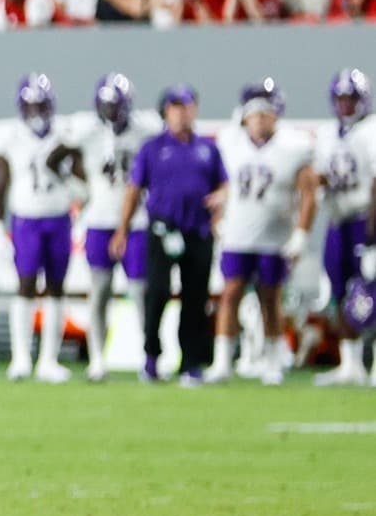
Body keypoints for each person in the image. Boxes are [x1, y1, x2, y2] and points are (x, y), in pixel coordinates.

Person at [204, 80, 318, 385]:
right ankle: (223, 361)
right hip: (238, 234)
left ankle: (271, 361)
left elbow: (309, 192)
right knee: (229, 295)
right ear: (244, 116)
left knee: (271, 299)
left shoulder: (294, 146)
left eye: (266, 114)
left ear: (277, 115)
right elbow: (220, 184)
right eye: (255, 114)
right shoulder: (229, 142)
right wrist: (218, 216)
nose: (260, 120)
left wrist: (301, 234)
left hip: (274, 237)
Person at [113, 85, 228, 385]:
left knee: (195, 298)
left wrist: (220, 201)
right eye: (175, 107)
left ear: (195, 109)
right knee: (158, 293)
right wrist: (122, 229)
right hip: (162, 229)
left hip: (198, 230)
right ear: (166, 112)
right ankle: (152, 356)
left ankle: (190, 362)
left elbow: (224, 185)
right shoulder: (152, 148)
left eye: (186, 106)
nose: (181, 113)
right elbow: (134, 190)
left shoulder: (208, 148)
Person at [68, 73, 161, 382]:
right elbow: (56, 157)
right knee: (100, 292)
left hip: (136, 221)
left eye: (116, 105)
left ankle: (147, 359)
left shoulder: (145, 130)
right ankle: (97, 360)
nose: (111, 111)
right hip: (99, 219)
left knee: (140, 293)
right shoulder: (87, 131)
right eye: (106, 105)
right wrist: (81, 191)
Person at [0, 73, 80, 384]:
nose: (36, 112)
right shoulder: (10, 136)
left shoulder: (66, 133)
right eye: (30, 106)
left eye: (41, 105)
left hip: (57, 216)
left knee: (56, 286)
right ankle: (21, 357)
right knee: (26, 283)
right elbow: (0, 183)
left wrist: (70, 181)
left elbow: (82, 179)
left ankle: (48, 360)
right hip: (26, 217)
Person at [314, 69, 376, 386]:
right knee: (340, 291)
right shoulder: (327, 135)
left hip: (365, 219)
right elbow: (322, 176)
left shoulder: (372, 130)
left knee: (372, 292)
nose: (345, 105)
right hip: (338, 221)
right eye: (340, 99)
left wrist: (372, 237)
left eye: (350, 98)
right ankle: (350, 364)